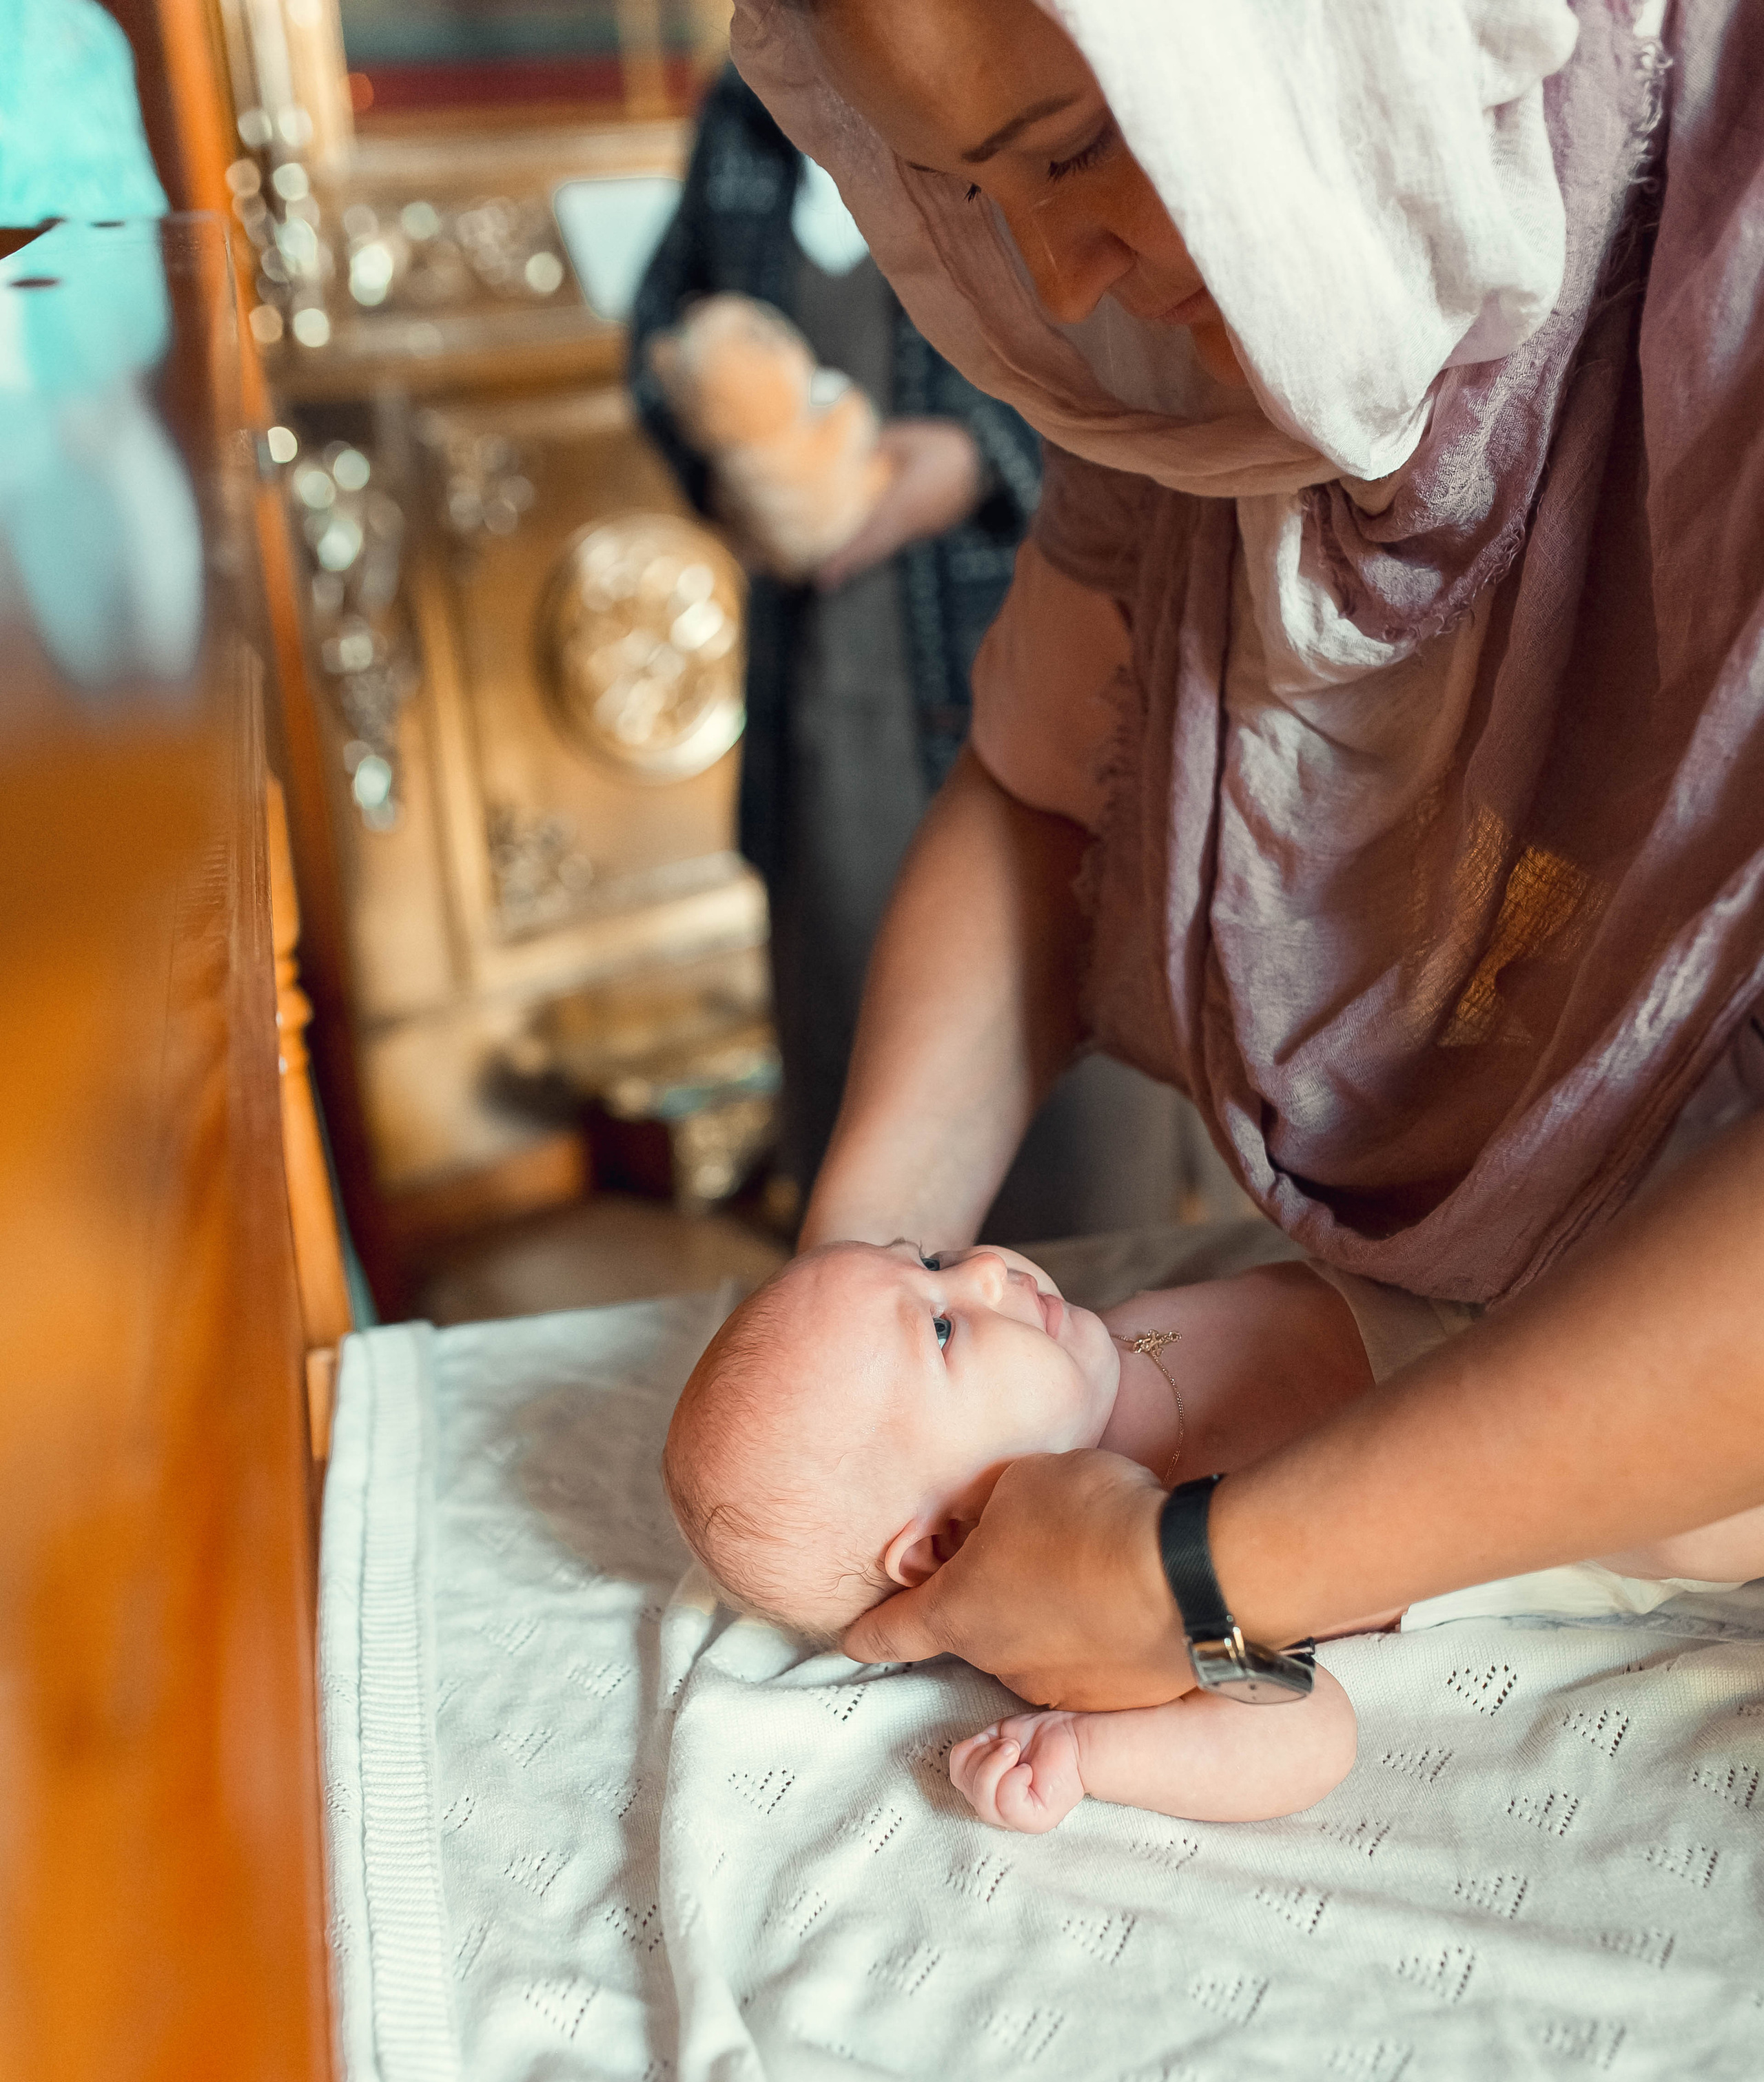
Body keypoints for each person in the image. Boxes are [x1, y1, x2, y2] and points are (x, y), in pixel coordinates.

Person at [717, 0, 1764, 1708]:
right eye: (981, 190)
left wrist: (1200, 1581)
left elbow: (1265, 1699)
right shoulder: (1194, 373)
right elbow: (1042, 792)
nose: (1060, 278)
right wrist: (852, 1339)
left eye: (1072, 146)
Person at [629, 59, 1186, 1237]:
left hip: (1011, 655)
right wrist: (738, 481)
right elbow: (658, 338)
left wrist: (978, 462)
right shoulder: (745, 123)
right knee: (850, 1037)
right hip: (825, 699)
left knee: (1077, 1101)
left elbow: (1139, 362)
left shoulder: (1024, 95)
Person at [662, 1237, 1764, 1827]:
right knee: (1707, 1529)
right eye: (945, 1325)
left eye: (931, 1258)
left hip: (1581, 1287)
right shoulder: (1077, 1623)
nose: (989, 1268)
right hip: (1616, 1494)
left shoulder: (1097, 1349)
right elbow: (1304, 1734)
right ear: (949, 1546)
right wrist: (1097, 1752)